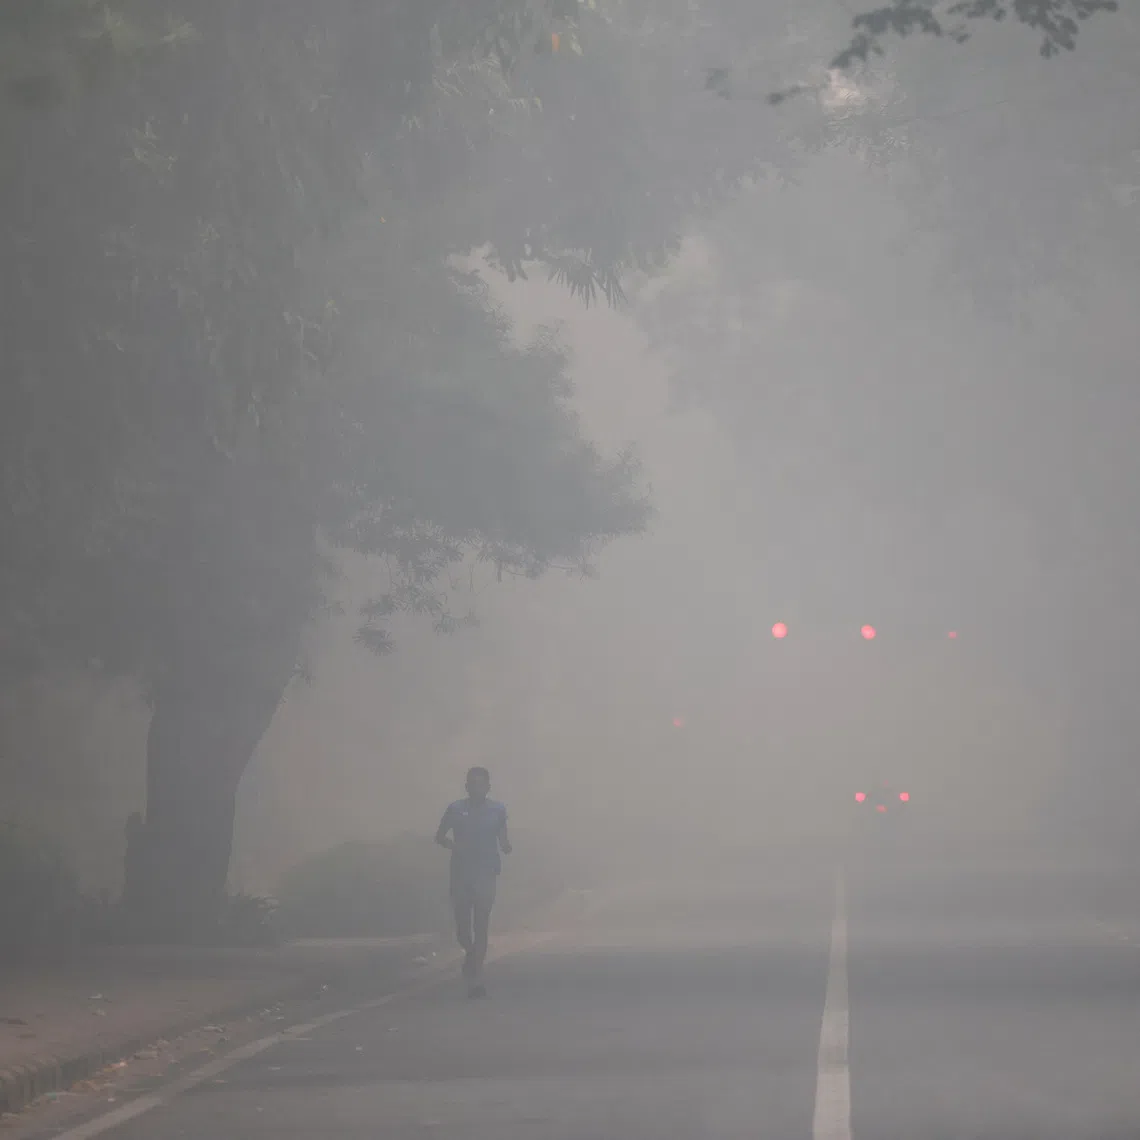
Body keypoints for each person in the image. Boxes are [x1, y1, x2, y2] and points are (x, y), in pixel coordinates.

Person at [435, 767, 511, 997]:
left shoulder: (498, 810)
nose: (477, 788)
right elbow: (440, 836)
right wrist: (454, 846)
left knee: (481, 923)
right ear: (466, 787)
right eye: (472, 784)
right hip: (461, 873)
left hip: (486, 873)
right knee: (463, 927)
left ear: (488, 787)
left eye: (481, 784)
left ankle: (476, 978)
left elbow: (503, 838)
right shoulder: (455, 809)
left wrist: (506, 847)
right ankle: (470, 951)